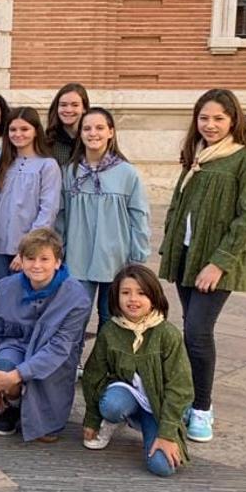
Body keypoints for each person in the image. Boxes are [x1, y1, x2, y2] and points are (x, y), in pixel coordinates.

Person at [158, 88, 246, 443]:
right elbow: (180, 204)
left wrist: (219, 264)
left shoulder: (245, 160)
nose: (210, 124)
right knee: (191, 329)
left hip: (215, 261)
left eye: (219, 118)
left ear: (233, 119)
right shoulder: (197, 154)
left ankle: (202, 408)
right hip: (187, 255)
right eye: (204, 118)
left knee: (198, 332)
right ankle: (186, 398)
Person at [0, 228, 92, 442]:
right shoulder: (3, 288)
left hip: (53, 357)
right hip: (16, 344)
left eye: (44, 259)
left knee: (47, 433)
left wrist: (18, 374)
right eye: (30, 258)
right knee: (3, 366)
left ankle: (40, 411)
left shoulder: (77, 298)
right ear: (21, 260)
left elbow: (59, 347)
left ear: (57, 262)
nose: (37, 265)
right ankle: (13, 405)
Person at [81, 265, 193, 477]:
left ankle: (158, 427)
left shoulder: (167, 334)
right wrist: (92, 418)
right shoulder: (110, 331)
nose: (133, 299)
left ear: (154, 296)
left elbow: (181, 387)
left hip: (157, 404)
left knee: (162, 467)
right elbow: (93, 374)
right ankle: (113, 421)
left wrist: (167, 433)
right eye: (126, 293)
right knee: (112, 405)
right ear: (116, 296)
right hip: (126, 394)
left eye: (141, 293)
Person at [57, 107, 150, 329]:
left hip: (116, 258)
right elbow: (61, 215)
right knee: (74, 318)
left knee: (111, 319)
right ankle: (74, 364)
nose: (93, 133)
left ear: (111, 132)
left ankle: (104, 363)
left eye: (100, 128)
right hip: (78, 256)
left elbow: (139, 216)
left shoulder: (127, 173)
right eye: (87, 128)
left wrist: (138, 255)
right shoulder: (70, 172)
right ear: (80, 133)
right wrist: (59, 250)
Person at [0, 107, 61, 284]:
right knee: (1, 295)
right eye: (13, 130)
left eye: (24, 129)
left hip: (26, 249)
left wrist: (27, 250)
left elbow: (48, 210)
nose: (18, 134)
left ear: (36, 131)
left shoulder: (47, 165)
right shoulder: (2, 165)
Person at [45, 82, 90, 169]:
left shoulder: (91, 140)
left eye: (75, 105)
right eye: (63, 105)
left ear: (84, 108)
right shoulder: (47, 142)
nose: (68, 110)